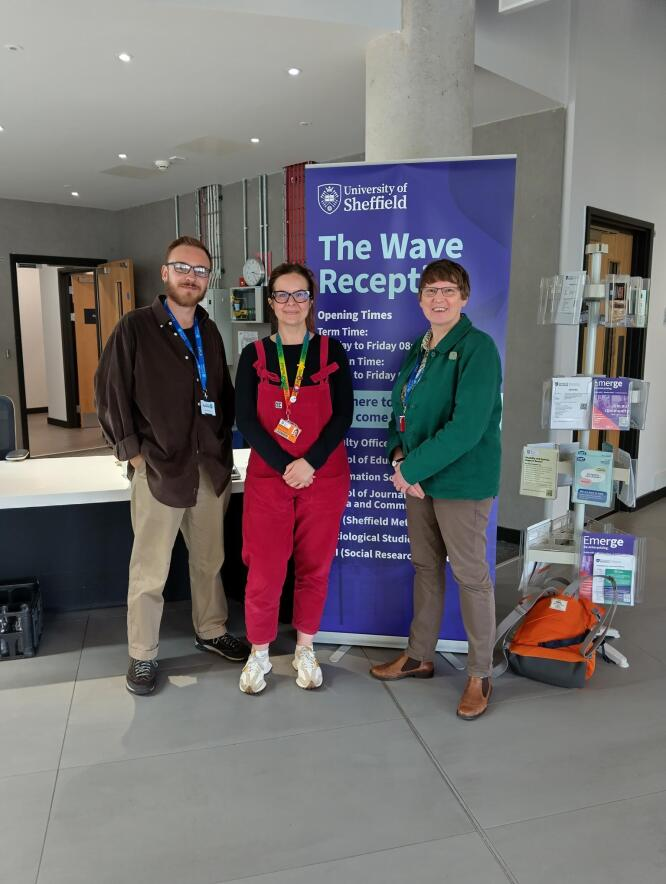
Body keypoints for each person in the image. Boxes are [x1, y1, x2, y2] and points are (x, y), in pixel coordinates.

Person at [95, 235, 248, 695]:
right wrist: (134, 455)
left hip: (208, 469)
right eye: (183, 268)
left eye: (201, 271)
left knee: (209, 560)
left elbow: (221, 396)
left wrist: (222, 449)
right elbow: (110, 393)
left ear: (208, 280)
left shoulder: (210, 330)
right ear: (166, 273)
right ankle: (142, 656)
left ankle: (211, 629)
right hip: (159, 469)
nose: (191, 277)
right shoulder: (135, 327)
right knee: (150, 570)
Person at [370, 259, 502, 720]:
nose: (438, 298)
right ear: (420, 298)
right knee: (426, 567)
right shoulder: (419, 348)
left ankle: (479, 673)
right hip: (418, 478)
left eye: (448, 290)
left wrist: (413, 469)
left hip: (460, 483)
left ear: (464, 297)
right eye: (430, 291)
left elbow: (467, 427)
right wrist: (398, 456)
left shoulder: (478, 349)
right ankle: (419, 656)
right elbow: (399, 411)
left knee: (470, 576)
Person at [235, 261, 353, 694]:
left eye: (299, 294)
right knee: (264, 569)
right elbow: (245, 419)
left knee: (314, 567)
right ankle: (260, 652)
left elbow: (343, 416)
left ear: (310, 300)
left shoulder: (329, 351)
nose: (291, 303)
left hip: (324, 476)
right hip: (270, 478)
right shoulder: (255, 355)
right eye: (282, 295)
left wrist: (311, 463)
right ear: (271, 302)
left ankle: (305, 646)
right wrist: (287, 465)